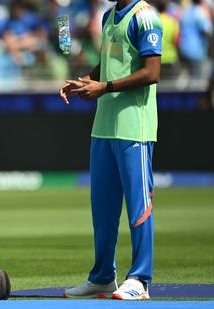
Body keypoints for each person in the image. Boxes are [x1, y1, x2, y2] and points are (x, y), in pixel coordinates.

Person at [59, 0, 162, 301]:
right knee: (102, 210)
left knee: (139, 207)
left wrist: (104, 87)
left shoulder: (145, 16)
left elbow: (152, 72)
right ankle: (103, 277)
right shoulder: (108, 16)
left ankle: (140, 280)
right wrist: (86, 81)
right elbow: (108, 63)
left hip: (135, 128)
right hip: (103, 127)